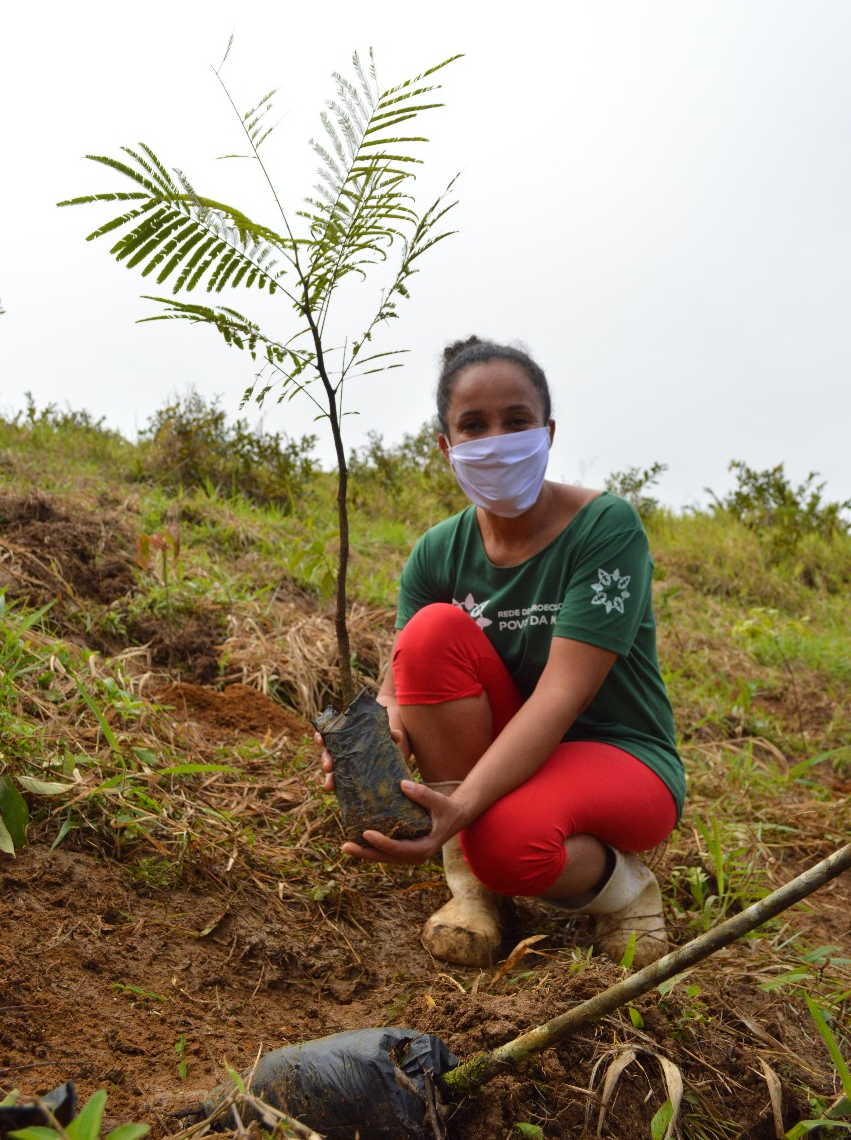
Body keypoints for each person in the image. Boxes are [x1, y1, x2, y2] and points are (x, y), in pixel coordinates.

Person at [318, 336, 685, 969]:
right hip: (516, 752)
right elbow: (397, 690)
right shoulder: (438, 553)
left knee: (510, 843)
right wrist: (376, 747)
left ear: (547, 432)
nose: (496, 439)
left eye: (516, 422)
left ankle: (628, 892)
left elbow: (562, 696)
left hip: (619, 753)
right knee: (429, 634)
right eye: (473, 426)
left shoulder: (604, 528)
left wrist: (461, 806)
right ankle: (476, 892)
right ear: (446, 447)